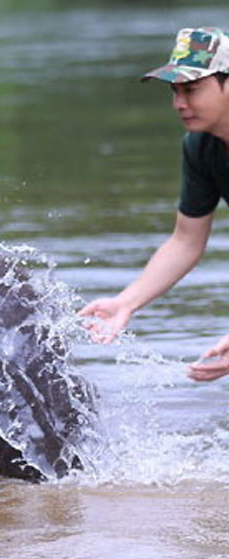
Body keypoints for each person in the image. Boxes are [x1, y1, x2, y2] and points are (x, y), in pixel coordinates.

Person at [77, 26, 229, 382]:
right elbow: (186, 241)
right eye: (174, 91)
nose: (179, 103)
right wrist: (126, 302)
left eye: (191, 89)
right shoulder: (201, 148)